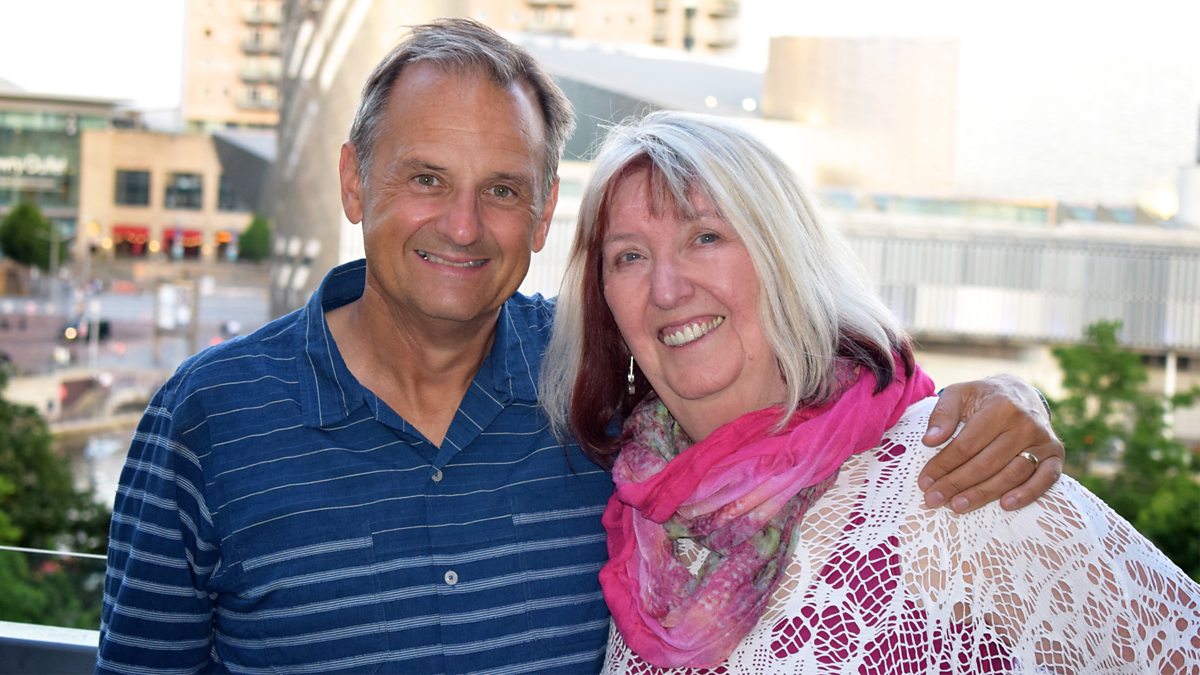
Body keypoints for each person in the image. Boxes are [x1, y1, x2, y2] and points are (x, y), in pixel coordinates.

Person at [97, 19, 1063, 675]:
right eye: (427, 178)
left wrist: (996, 397)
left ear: (545, 209)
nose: (464, 226)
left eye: (503, 189)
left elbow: (801, 402)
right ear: (355, 182)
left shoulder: (603, 394)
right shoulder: (204, 420)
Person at [539, 109, 1200, 673]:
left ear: (784, 257)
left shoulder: (954, 474)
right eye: (629, 256)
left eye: (706, 236)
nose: (666, 289)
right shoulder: (639, 524)